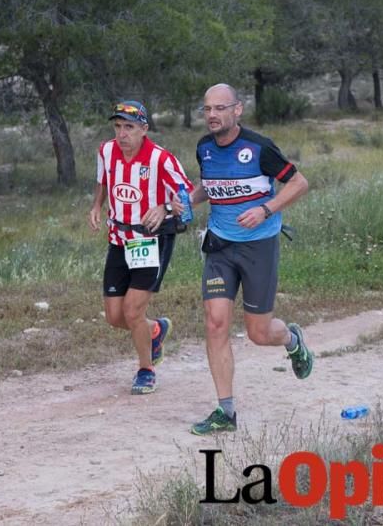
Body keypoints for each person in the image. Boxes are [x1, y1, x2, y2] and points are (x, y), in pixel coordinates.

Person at [186, 83, 312, 435]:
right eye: (207, 109)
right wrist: (182, 201)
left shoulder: (259, 148)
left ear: (237, 110)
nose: (212, 115)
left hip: (259, 245)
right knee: (215, 323)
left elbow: (299, 183)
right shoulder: (204, 148)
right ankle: (226, 413)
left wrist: (265, 208)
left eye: (220, 108)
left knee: (258, 332)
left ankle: (292, 340)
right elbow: (208, 186)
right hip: (220, 246)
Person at [88, 100, 194, 395]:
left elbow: (186, 201)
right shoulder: (106, 150)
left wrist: (164, 207)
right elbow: (103, 179)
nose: (122, 134)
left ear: (144, 129)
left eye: (130, 128)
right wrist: (97, 205)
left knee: (133, 312)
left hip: (150, 240)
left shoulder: (161, 159)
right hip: (118, 240)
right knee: (114, 316)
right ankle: (156, 330)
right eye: (118, 127)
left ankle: (146, 370)